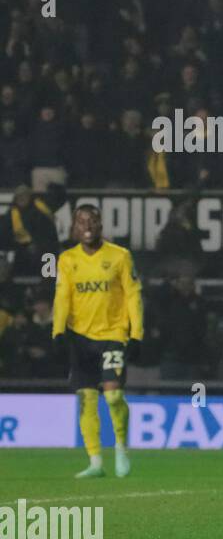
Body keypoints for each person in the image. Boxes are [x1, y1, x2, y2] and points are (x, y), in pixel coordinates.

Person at [51, 204, 144, 478]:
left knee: (113, 396)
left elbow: (133, 295)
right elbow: (62, 297)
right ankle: (95, 461)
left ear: (101, 225)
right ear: (74, 228)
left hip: (113, 335)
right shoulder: (67, 259)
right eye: (81, 222)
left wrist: (136, 334)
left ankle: (121, 447)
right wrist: (57, 331)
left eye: (92, 221)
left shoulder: (120, 256)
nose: (87, 226)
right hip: (80, 338)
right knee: (85, 399)